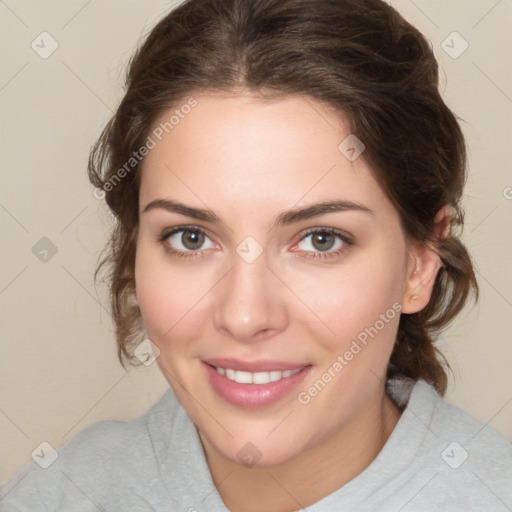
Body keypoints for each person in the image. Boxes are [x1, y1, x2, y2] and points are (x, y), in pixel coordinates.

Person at [3, 0, 511, 510]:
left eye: (320, 240)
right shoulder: (58, 495)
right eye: (191, 238)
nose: (245, 316)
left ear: (420, 262)